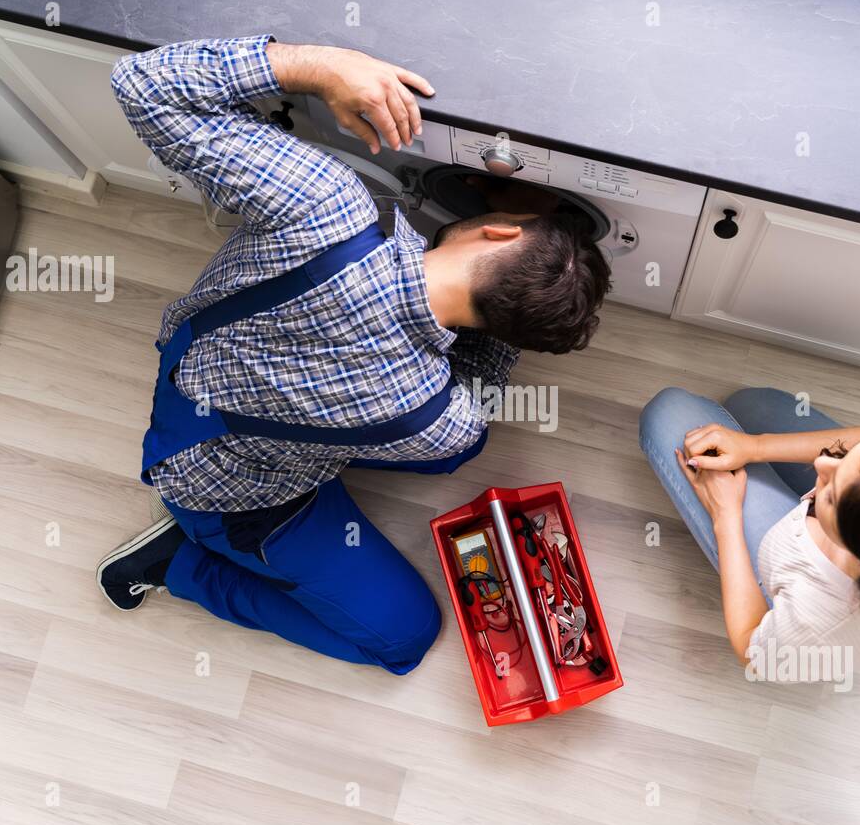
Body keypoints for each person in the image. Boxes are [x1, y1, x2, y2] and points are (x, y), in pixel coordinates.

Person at [95, 36, 611, 675]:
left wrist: (324, 68)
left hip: (193, 374)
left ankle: (203, 542)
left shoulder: (326, 204)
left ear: (499, 229)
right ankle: (179, 564)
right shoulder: (440, 421)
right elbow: (469, 408)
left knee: (405, 599)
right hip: (228, 494)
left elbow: (143, 82)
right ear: (514, 332)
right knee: (401, 644)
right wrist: (521, 305)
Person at [639, 387, 860, 680]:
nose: (822, 462)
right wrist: (756, 446)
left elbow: (751, 650)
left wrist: (725, 515)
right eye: (852, 460)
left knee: (668, 412)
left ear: (859, 555)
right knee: (751, 403)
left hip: (787, 573)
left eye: (831, 493)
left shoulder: (821, 625)